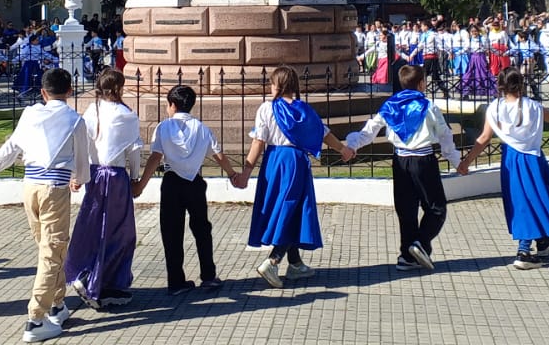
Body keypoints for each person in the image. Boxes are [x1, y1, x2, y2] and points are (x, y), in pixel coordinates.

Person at [0, 68, 89, 342]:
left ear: (43, 92)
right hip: (54, 189)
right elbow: (83, 160)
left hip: (31, 187)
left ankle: (56, 303)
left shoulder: (30, 114)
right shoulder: (75, 120)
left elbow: (11, 148)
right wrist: (79, 179)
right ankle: (35, 319)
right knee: (52, 250)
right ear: (70, 92)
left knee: (47, 247)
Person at [239, 66, 356, 288]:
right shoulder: (304, 111)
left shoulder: (266, 108)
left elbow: (258, 141)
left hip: (274, 161)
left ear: (276, 85)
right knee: (293, 208)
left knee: (284, 207)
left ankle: (295, 263)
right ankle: (274, 261)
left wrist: (246, 171)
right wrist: (343, 149)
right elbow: (324, 134)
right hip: (296, 162)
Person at [456, 67, 549, 270]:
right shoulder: (533, 107)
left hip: (511, 159)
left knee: (520, 199)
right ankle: (524, 250)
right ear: (521, 84)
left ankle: (543, 238)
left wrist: (466, 161)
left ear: (500, 86)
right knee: (538, 197)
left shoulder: (494, 108)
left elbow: (484, 138)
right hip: (532, 158)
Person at [344, 64, 458, 271]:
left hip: (400, 161)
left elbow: (370, 130)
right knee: (436, 207)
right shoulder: (428, 106)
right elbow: (444, 134)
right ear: (422, 83)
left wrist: (352, 145)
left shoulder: (390, 106)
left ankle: (407, 255)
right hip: (423, 160)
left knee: (406, 209)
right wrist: (456, 160)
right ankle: (420, 243)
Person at [131, 85, 241, 295]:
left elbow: (155, 157)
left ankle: (176, 281)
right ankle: (208, 276)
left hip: (171, 182)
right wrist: (232, 174)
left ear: (172, 105)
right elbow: (218, 154)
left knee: (171, 231)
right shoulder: (201, 128)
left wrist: (141, 185)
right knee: (202, 229)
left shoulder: (163, 127)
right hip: (195, 182)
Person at [65, 69, 144, 309]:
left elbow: (81, 144)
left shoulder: (92, 110)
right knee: (119, 232)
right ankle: (97, 280)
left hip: (94, 173)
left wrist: (77, 173)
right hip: (115, 176)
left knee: (94, 226)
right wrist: (136, 177)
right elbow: (134, 151)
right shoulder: (126, 115)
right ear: (119, 87)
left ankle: (93, 276)